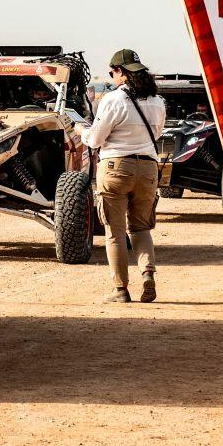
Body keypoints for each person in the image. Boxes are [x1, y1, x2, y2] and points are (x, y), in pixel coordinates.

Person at [70, 49, 165, 303]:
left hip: (116, 167)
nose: (111, 77)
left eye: (112, 72)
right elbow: (155, 135)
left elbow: (95, 140)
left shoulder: (113, 99)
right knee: (141, 228)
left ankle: (121, 289)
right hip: (148, 168)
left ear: (121, 72)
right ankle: (147, 273)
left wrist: (81, 131)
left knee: (115, 231)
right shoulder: (157, 101)